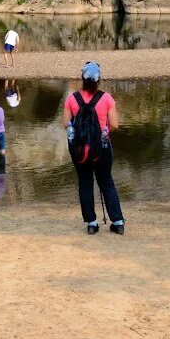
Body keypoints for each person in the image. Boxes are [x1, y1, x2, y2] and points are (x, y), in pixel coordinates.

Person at [64, 61, 124, 235]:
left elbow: (65, 123)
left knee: (85, 182)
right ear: (99, 80)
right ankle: (118, 222)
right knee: (106, 181)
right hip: (102, 148)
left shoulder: (72, 98)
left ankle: (91, 223)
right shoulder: (106, 98)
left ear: (82, 78)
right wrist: (103, 132)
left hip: (80, 150)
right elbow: (114, 125)